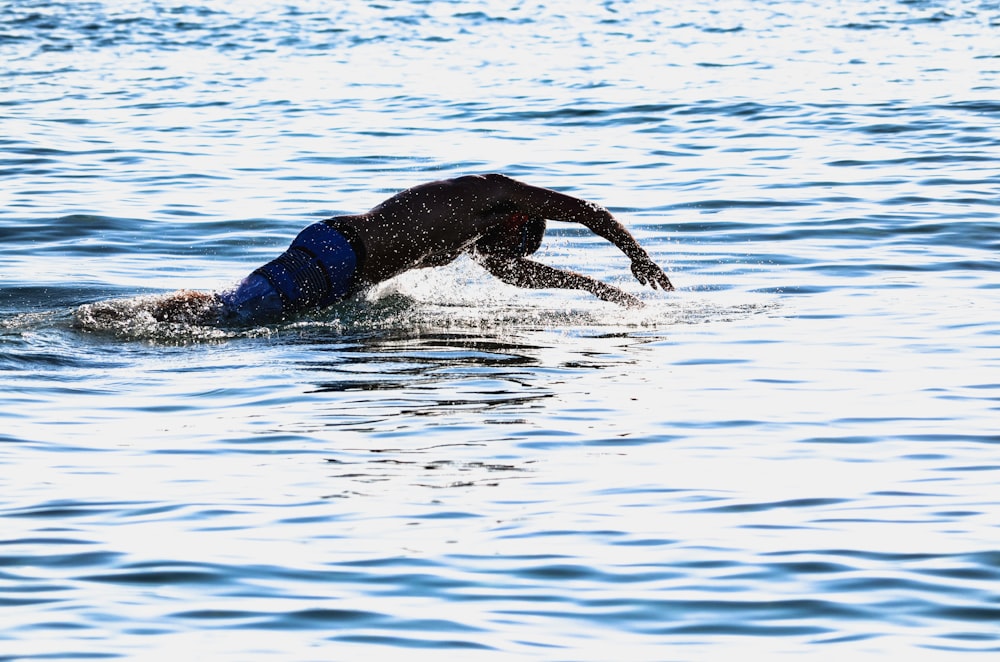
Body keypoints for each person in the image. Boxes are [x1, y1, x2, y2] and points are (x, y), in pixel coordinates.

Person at [153, 174, 674, 325]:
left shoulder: (481, 235)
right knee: (227, 321)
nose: (500, 255)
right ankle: (118, 319)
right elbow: (588, 211)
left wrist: (597, 289)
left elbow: (518, 274)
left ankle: (153, 312)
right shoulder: (495, 192)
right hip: (342, 254)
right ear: (521, 218)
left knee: (229, 311)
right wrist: (637, 256)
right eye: (513, 242)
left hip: (337, 255)